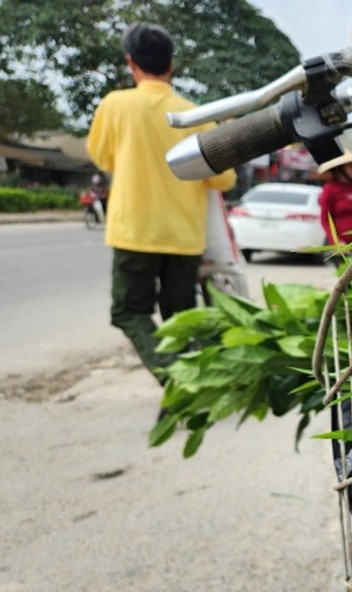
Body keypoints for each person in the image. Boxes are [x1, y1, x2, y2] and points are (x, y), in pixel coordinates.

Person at [86, 22, 236, 384]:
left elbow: (103, 158)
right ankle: (187, 384)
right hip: (184, 237)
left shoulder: (115, 105)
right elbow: (224, 179)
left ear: (130, 63)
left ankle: (174, 379)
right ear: (171, 64)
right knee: (180, 319)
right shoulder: (195, 114)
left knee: (128, 311)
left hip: (133, 232)